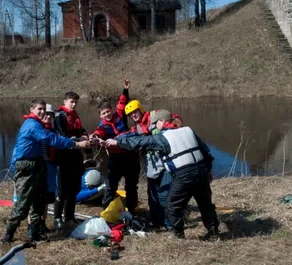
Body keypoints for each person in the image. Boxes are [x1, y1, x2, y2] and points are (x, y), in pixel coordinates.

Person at [106, 109, 219, 240]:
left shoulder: (163, 137)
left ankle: (178, 235)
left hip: (184, 174)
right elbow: (205, 150)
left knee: (172, 206)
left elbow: (142, 143)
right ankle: (213, 232)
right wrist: (208, 169)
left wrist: (118, 142)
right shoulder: (188, 130)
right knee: (205, 203)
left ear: (163, 121)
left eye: (156, 123)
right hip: (202, 171)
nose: (154, 126)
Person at [1, 100, 90, 244]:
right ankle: (8, 234)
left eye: (44, 110)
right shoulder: (32, 125)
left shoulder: (40, 125)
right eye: (39, 109)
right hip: (26, 168)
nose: (42, 112)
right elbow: (50, 139)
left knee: (39, 202)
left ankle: (35, 234)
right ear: (32, 109)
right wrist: (76, 144)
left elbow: (53, 138)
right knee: (22, 206)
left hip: (38, 166)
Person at [90, 77, 140, 215]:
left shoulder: (119, 115)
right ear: (100, 115)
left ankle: (132, 210)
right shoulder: (103, 127)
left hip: (130, 155)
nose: (107, 114)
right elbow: (98, 133)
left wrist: (125, 89)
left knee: (131, 185)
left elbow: (122, 102)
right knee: (111, 185)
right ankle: (106, 211)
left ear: (111, 111)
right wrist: (94, 136)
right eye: (103, 113)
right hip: (116, 158)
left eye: (108, 111)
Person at [53, 92, 88, 229]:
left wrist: (85, 136)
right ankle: (57, 218)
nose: (74, 104)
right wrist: (79, 140)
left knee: (74, 188)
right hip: (64, 156)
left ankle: (69, 217)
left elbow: (80, 130)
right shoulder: (59, 116)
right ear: (65, 101)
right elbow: (61, 136)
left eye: (75, 102)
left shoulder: (75, 116)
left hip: (76, 156)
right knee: (63, 189)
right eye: (71, 102)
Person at [26, 104, 57, 239]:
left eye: (51, 115)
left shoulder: (54, 131)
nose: (48, 117)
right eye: (46, 114)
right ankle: (31, 226)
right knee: (33, 198)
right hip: (37, 167)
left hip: (50, 168)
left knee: (46, 197)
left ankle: (42, 224)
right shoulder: (35, 129)